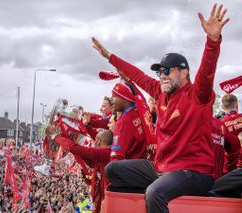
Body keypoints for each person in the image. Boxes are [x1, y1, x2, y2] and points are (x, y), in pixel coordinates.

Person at [92, 4, 229, 213]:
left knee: (155, 192)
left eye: (167, 70)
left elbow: (208, 70)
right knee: (113, 170)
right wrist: (110, 56)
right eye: (160, 71)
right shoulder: (161, 92)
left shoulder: (198, 94)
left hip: (193, 171)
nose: (162, 75)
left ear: (184, 73)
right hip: (161, 169)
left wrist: (212, 41)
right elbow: (137, 75)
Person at [46, 126, 112, 213]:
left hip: (108, 202)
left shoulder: (106, 153)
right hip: (100, 201)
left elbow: (75, 149)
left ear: (99, 141)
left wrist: (55, 136)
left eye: (95, 140)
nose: (93, 142)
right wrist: (87, 180)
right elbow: (98, 176)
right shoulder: (102, 158)